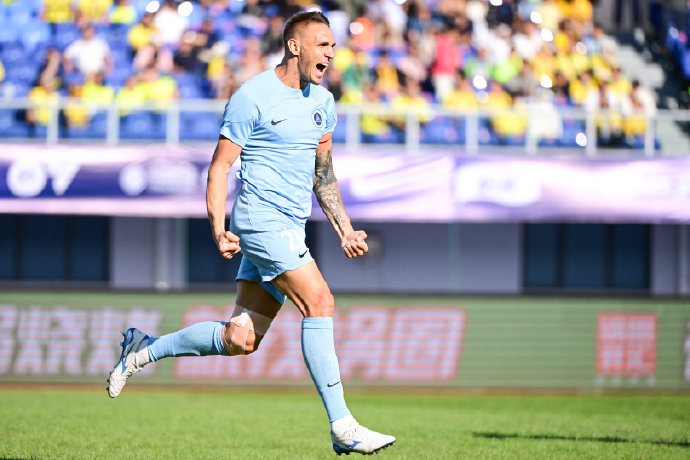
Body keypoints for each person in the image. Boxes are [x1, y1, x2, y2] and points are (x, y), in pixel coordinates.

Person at [107, 11, 396, 456]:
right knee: (319, 301)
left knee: (241, 339)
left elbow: (323, 175)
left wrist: (344, 230)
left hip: (290, 228)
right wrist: (218, 229)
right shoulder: (252, 96)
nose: (331, 53)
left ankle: (144, 350)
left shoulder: (323, 102)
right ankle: (343, 426)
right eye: (322, 44)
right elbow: (220, 167)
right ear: (295, 46)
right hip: (260, 222)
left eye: (333, 46)